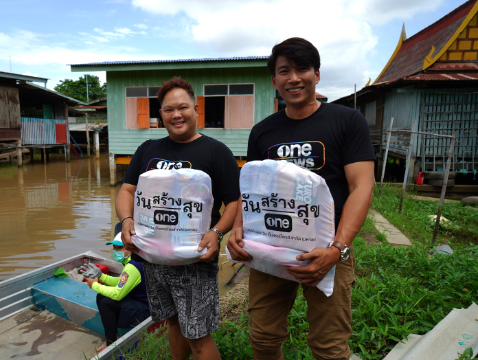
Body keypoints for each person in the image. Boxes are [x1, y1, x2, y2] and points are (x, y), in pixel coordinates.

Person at [226, 37, 376, 360]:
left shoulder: (347, 122)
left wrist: (337, 250)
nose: (293, 78)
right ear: (274, 81)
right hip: (270, 250)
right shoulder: (262, 132)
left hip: (327, 251)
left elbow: (362, 187)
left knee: (329, 347)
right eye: (284, 71)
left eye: (302, 69)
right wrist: (238, 227)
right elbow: (249, 189)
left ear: (317, 74)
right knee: (263, 339)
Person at [115, 76, 241, 360]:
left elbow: (234, 201)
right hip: (152, 259)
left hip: (194, 258)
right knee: (172, 321)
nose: (176, 114)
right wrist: (126, 220)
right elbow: (127, 190)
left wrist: (217, 233)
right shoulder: (148, 149)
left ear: (196, 109)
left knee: (197, 335)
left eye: (183, 107)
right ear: (161, 114)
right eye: (169, 109)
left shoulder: (215, 152)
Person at [82, 222, 150, 353]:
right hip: (139, 301)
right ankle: (112, 337)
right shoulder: (132, 261)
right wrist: (101, 276)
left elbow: (118, 293)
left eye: (119, 248)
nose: (115, 251)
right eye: (114, 247)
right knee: (103, 295)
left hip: (145, 310)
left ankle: (111, 342)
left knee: (107, 301)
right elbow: (120, 281)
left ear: (130, 248)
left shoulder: (133, 266)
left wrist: (94, 285)